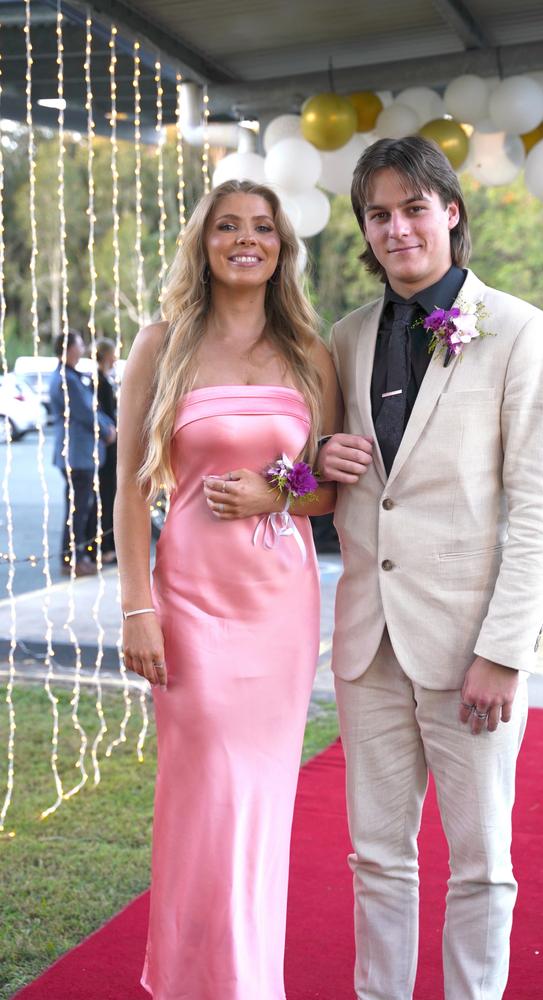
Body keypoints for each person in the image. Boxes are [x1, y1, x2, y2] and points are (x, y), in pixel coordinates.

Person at [318, 136, 543, 1000]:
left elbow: (540, 509)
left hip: (472, 649)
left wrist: (505, 650)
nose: (397, 229)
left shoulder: (522, 333)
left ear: (450, 212)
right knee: (377, 856)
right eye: (378, 215)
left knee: (481, 862)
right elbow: (339, 481)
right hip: (368, 646)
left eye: (413, 209)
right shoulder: (345, 338)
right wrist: (322, 456)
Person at [114, 179, 340, 999]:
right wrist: (137, 606)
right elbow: (132, 489)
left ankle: (246, 982)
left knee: (261, 801)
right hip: (189, 604)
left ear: (283, 247)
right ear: (202, 242)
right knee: (203, 791)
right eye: (228, 226)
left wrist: (277, 493)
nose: (247, 239)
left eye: (263, 228)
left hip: (279, 606)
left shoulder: (310, 353)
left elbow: (329, 488)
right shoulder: (162, 343)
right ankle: (188, 980)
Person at [49, 330, 116, 577]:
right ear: (69, 348)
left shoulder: (70, 376)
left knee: (79, 507)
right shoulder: (67, 379)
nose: (84, 348)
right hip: (77, 453)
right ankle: (72, 559)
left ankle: (75, 557)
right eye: (79, 345)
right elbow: (85, 412)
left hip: (78, 453)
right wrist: (107, 429)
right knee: (78, 509)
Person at [95, 338, 118, 563]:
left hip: (112, 445)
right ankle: (105, 546)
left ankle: (108, 545)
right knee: (107, 496)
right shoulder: (99, 381)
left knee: (110, 495)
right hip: (108, 447)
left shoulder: (105, 379)